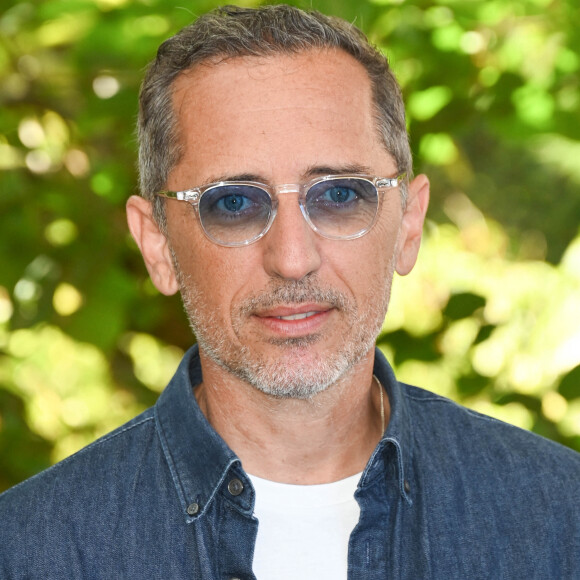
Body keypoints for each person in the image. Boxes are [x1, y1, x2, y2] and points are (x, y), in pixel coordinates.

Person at [1, 4, 579, 579]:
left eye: (338, 195)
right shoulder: (27, 551)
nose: (292, 260)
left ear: (408, 223)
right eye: (233, 203)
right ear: (158, 245)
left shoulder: (560, 520)